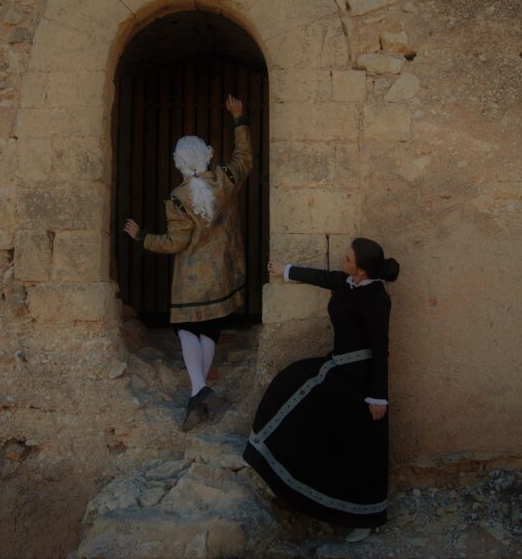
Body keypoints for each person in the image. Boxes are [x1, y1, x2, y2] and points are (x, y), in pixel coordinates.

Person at [243, 238, 399, 542]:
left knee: (361, 446)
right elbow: (322, 277)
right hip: (337, 367)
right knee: (291, 384)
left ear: (363, 271)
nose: (343, 259)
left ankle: (367, 517)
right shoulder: (348, 282)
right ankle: (290, 484)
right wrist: (286, 270)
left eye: (348, 258)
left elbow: (381, 350)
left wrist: (378, 397)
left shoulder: (377, 299)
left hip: (362, 380)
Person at [123, 94, 252, 431]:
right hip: (223, 273)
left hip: (190, 280)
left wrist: (142, 238)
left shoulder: (177, 199)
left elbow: (175, 242)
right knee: (209, 328)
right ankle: (199, 393)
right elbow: (244, 158)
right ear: (207, 155)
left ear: (178, 161)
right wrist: (238, 120)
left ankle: (198, 389)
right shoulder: (225, 178)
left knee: (185, 328)